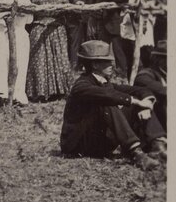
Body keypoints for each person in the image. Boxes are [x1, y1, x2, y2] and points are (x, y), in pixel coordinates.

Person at [60, 40, 165, 169]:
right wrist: (135, 101)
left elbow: (138, 90)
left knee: (135, 101)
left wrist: (145, 103)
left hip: (99, 141)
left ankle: (158, 145)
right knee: (108, 101)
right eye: (107, 62)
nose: (112, 65)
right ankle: (136, 153)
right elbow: (108, 95)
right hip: (79, 145)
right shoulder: (81, 85)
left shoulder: (106, 83)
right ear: (95, 64)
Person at [25, 0, 75, 101]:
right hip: (56, 30)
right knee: (58, 58)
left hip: (38, 29)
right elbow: (69, 15)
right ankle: (59, 89)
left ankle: (39, 90)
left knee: (40, 59)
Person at [93, 0, 135, 80]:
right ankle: (102, 76)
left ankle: (123, 78)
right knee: (102, 51)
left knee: (120, 54)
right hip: (105, 23)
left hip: (120, 25)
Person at [133, 40, 167, 130]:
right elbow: (142, 81)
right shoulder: (148, 73)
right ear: (159, 60)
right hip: (157, 117)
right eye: (166, 58)